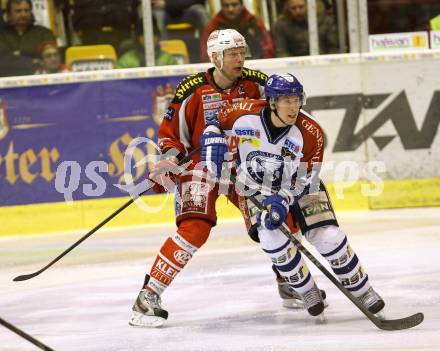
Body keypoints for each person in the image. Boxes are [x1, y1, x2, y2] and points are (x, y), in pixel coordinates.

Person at [129, 29, 303, 328]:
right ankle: (148, 297)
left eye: (242, 53)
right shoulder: (192, 89)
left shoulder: (257, 84)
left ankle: (288, 279)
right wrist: (171, 156)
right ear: (215, 57)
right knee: (194, 228)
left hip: (246, 168)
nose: (240, 59)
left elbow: (282, 117)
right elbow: (170, 134)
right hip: (201, 167)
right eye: (232, 54)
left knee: (278, 217)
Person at [200, 73, 385, 318]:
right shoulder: (244, 113)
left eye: (297, 99)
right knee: (271, 239)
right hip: (255, 188)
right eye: (286, 100)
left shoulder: (310, 131)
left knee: (327, 236)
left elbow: (307, 177)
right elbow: (215, 118)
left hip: (301, 185)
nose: (293, 106)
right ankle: (307, 290)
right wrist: (211, 134)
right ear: (272, 102)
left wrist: (283, 198)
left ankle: (363, 290)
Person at [200, 0, 274, 62]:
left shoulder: (255, 23)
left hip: (256, 65)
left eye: (234, 5)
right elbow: (206, 55)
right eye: (226, 6)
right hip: (223, 70)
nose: (230, 9)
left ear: (242, 6)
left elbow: (268, 50)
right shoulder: (212, 27)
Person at [0, 0, 56, 77]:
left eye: (27, 10)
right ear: (9, 15)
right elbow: (2, 63)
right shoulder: (2, 35)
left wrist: (18, 54)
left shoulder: (44, 33)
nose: (24, 14)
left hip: (39, 80)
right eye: (18, 11)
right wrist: (31, 60)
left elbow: (51, 60)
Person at [272, 0, 338, 57]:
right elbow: (281, 51)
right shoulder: (281, 25)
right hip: (296, 66)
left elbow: (334, 48)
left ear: (310, 6)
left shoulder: (326, 21)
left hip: (324, 64)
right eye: (293, 8)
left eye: (301, 7)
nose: (298, 11)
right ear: (287, 9)